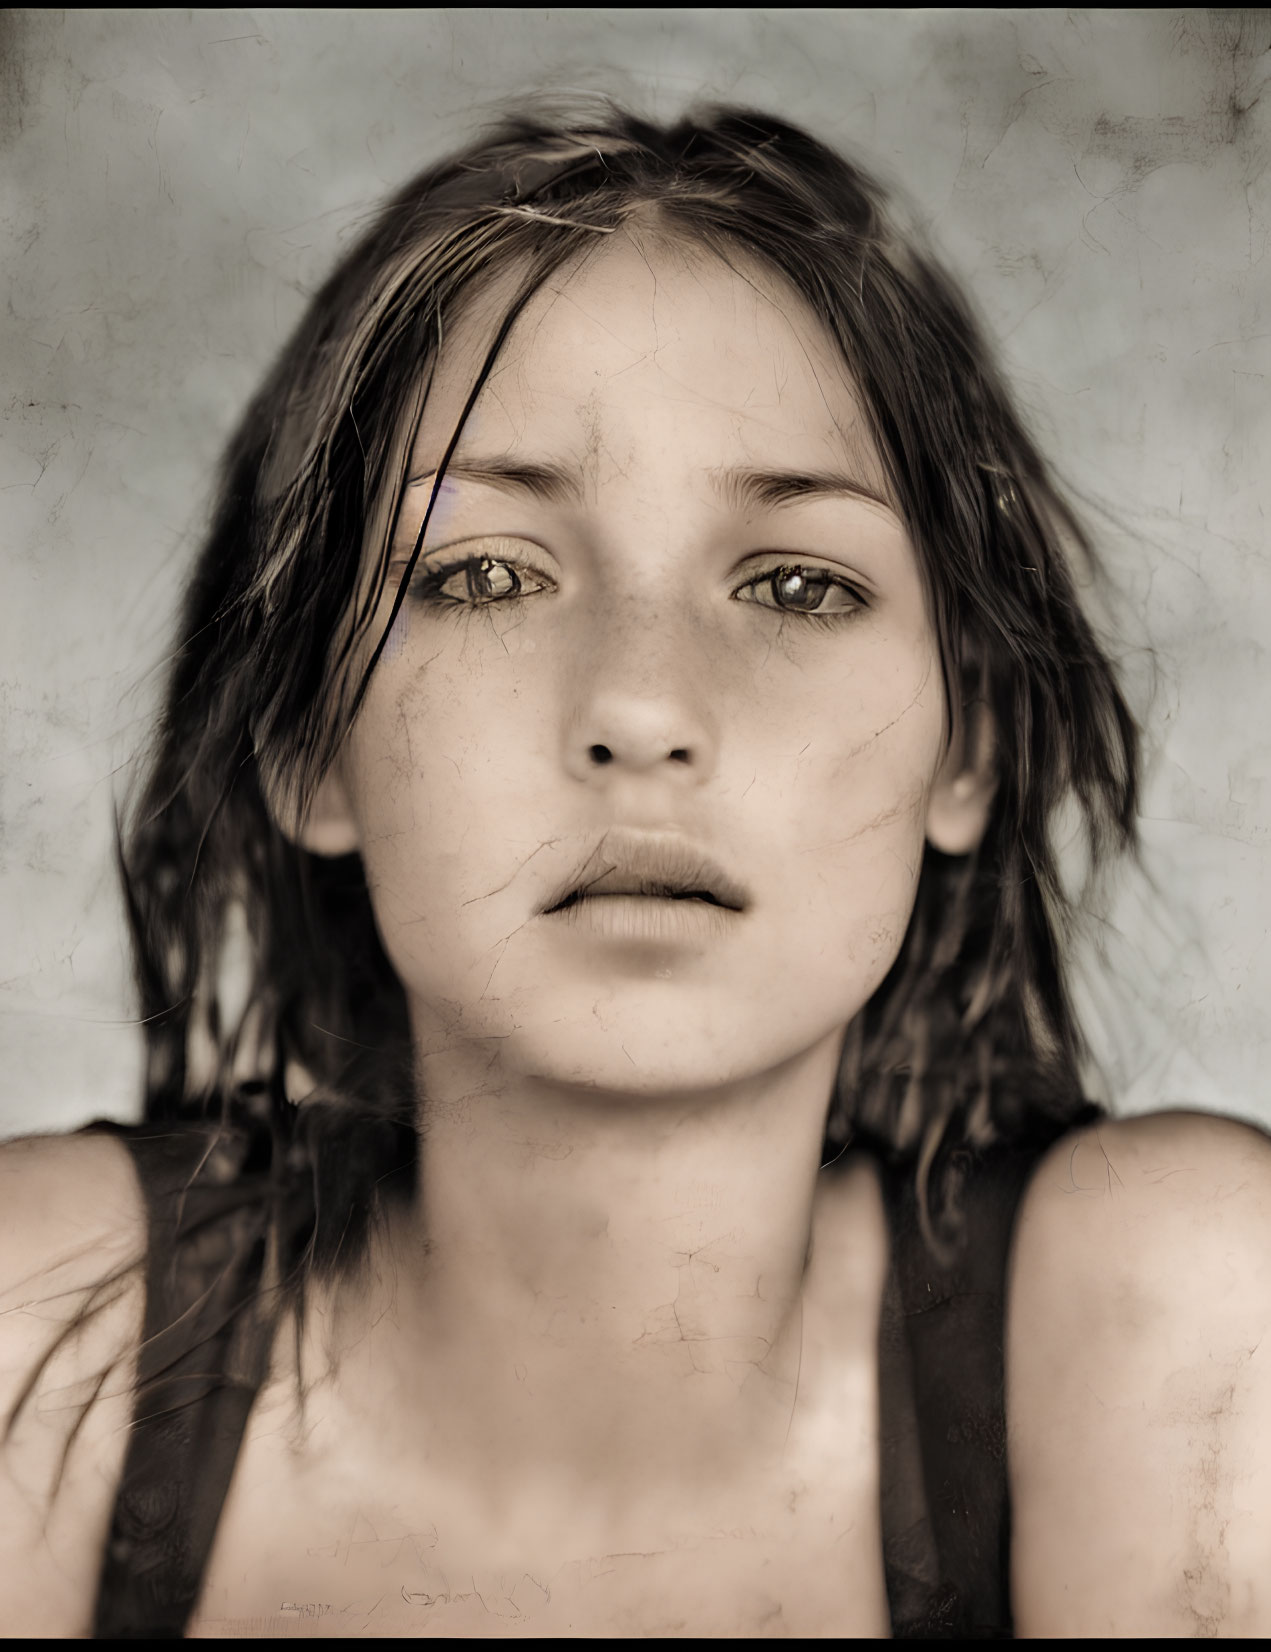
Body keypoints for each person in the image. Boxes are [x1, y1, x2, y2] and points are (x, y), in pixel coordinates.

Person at [2, 102, 1269, 1640]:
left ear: (972, 745)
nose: (645, 710)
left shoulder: (1184, 1321)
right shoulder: (41, 1337)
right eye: (483, 576)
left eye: (800, 584)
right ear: (306, 745)